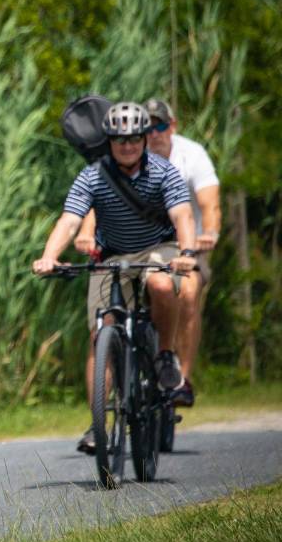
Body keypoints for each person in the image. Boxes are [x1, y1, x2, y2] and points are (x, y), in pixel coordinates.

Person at [32, 101, 197, 454]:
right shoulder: (93, 175)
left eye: (135, 138)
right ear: (109, 141)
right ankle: (98, 426)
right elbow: (71, 219)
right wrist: (49, 257)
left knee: (160, 284)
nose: (128, 145)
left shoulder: (164, 172)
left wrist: (186, 254)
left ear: (142, 139)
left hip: (159, 248)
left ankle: (165, 356)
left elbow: (182, 215)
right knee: (101, 330)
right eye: (120, 139)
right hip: (114, 255)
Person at [72, 98, 218, 407]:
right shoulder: (118, 162)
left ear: (172, 126)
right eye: (146, 128)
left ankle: (178, 376)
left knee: (186, 292)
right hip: (123, 248)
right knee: (103, 325)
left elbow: (207, 207)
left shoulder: (189, 157)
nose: (153, 134)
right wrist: (86, 235)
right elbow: (100, 202)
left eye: (159, 126)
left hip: (182, 244)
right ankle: (101, 410)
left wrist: (208, 236)